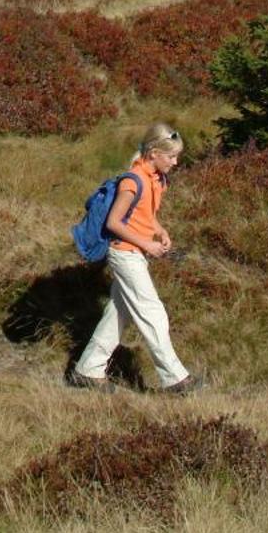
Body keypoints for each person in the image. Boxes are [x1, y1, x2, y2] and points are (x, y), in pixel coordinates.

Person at [66, 123, 206, 393]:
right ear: (154, 153)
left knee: (119, 314)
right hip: (124, 253)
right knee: (152, 312)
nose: (176, 162)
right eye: (171, 156)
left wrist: (159, 230)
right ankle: (176, 379)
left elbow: (144, 214)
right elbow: (115, 222)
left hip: (136, 252)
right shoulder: (133, 181)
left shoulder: (155, 179)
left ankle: (87, 370)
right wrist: (147, 244)